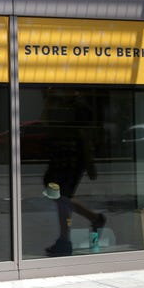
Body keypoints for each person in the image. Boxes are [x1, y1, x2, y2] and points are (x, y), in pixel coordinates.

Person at [42, 90, 106, 256]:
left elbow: (82, 133)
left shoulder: (73, 108)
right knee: (62, 196)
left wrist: (89, 161)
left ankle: (65, 240)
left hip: (69, 159)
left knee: (62, 197)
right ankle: (93, 220)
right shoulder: (62, 106)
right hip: (63, 157)